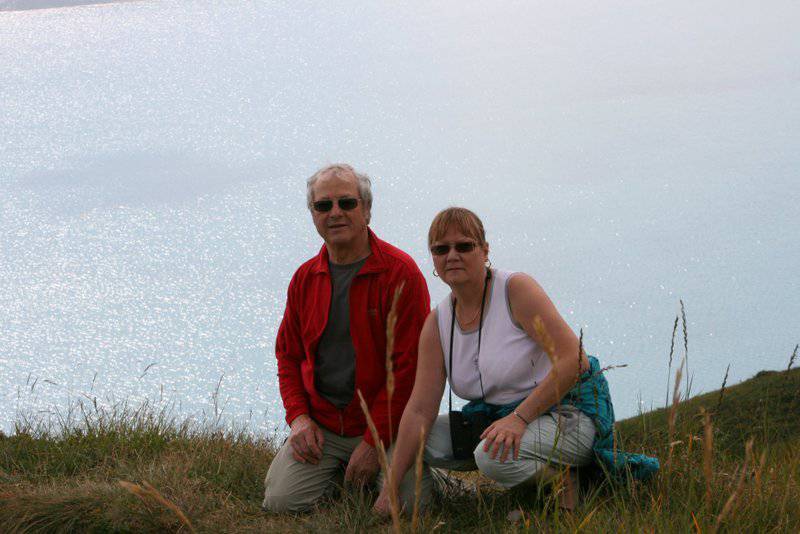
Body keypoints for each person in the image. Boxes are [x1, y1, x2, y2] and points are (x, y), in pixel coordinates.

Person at [373, 207, 658, 515]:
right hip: (497, 420)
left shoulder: (515, 290)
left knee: (491, 456)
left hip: (567, 413)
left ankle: (567, 482)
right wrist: (391, 484)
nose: (452, 255)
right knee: (402, 442)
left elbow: (575, 361)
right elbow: (418, 409)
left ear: (484, 250)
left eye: (464, 246)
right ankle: (432, 501)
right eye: (441, 249)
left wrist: (519, 419)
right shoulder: (437, 322)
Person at [262, 164, 432, 513]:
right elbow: (288, 357)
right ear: (313, 215)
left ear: (366, 210)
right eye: (323, 206)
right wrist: (299, 419)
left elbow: (408, 371)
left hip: (388, 426)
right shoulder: (305, 279)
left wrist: (373, 441)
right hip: (323, 425)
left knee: (411, 506)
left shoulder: (400, 274)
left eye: (347, 203)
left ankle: (423, 476)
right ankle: (344, 476)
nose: (335, 213)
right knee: (281, 503)